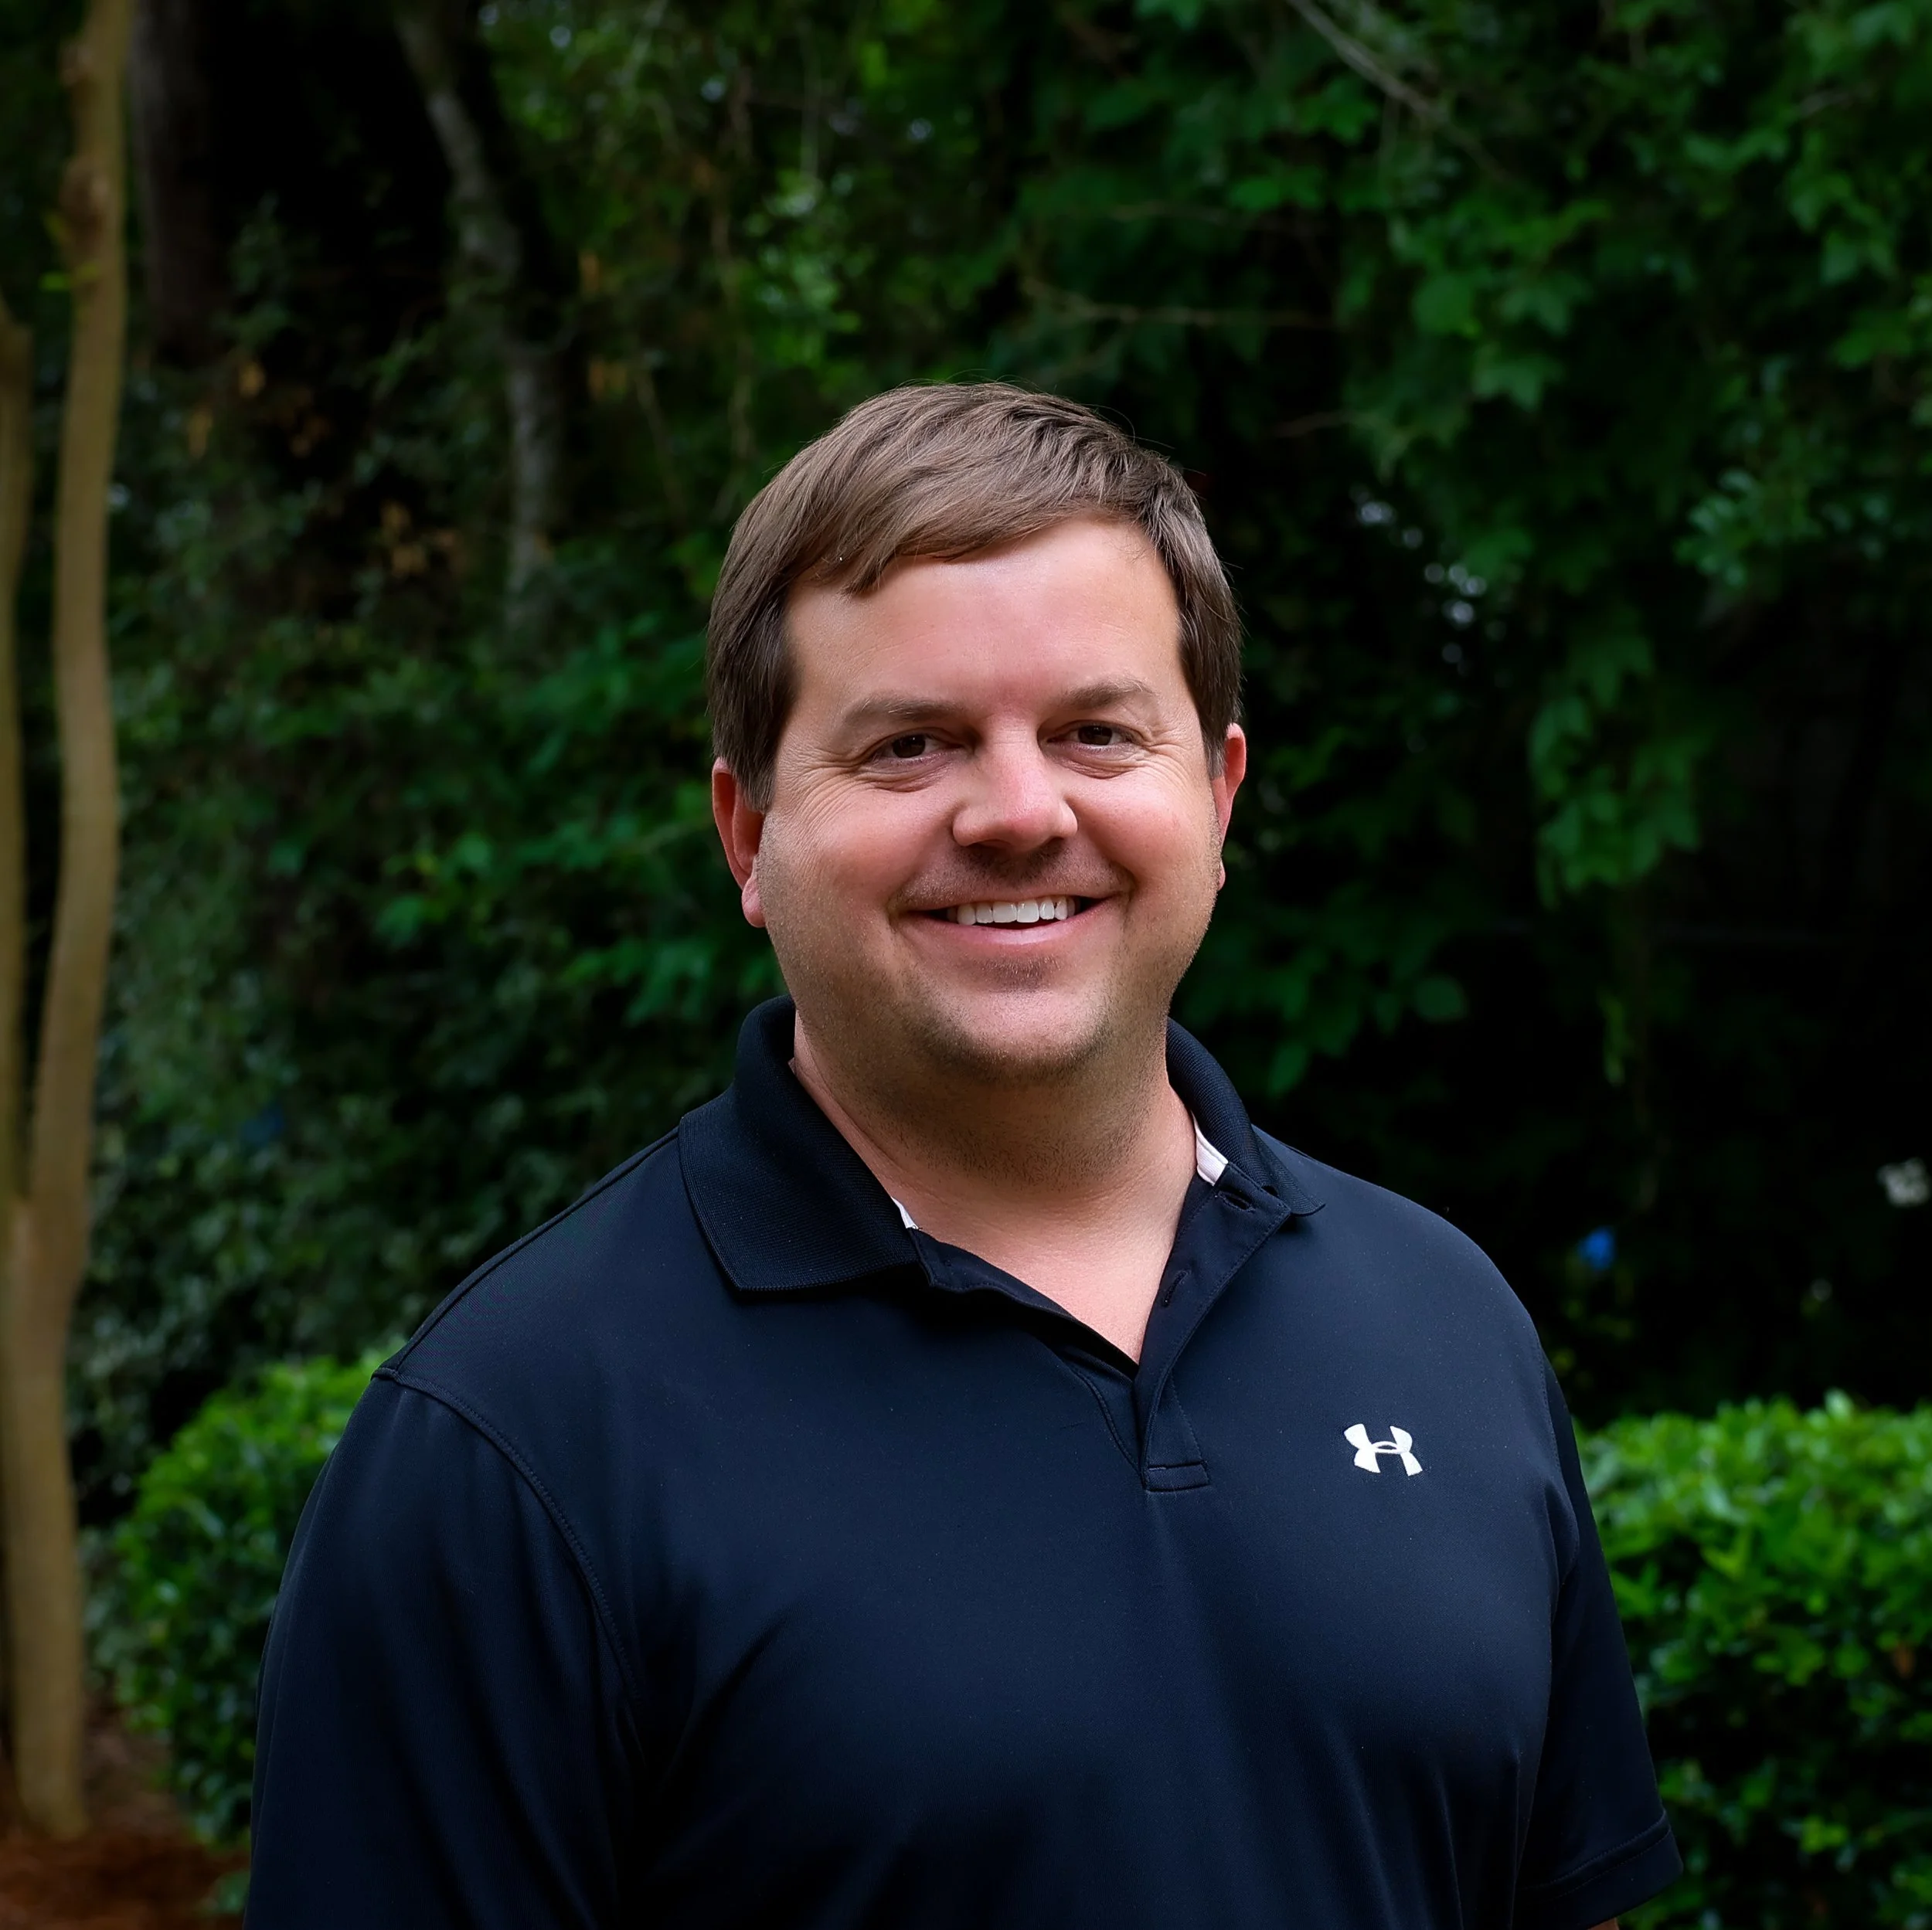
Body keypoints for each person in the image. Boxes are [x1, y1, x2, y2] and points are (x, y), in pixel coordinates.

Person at [245, 383, 1680, 1929]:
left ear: (1216, 792)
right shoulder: (510, 1447)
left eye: (1094, 732)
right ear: (746, 833)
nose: (1016, 811)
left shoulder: (1441, 1323)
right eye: (909, 746)